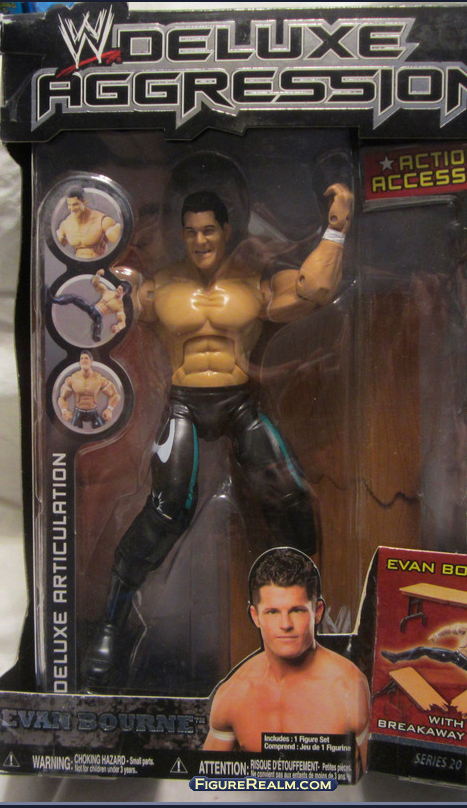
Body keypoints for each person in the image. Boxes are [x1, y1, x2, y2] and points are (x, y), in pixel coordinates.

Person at [85, 184, 353, 687]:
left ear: (227, 230)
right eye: (190, 232)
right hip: (184, 403)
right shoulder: (161, 287)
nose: (200, 241)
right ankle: (110, 625)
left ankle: (307, 610)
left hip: (238, 402)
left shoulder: (254, 285)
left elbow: (315, 291)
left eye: (209, 230)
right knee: (167, 509)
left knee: (291, 496)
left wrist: (336, 229)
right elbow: (103, 302)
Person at [204, 548, 370, 773]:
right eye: (273, 612)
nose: (285, 624)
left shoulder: (349, 688)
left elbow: (378, 787)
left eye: (297, 610)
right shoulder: (234, 693)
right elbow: (205, 784)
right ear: (255, 616)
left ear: (317, 611)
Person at [381, 611, 467, 720]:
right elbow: (450, 629)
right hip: (456, 656)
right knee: (423, 650)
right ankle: (396, 657)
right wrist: (437, 634)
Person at [50, 269, 130, 342]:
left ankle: (96, 337)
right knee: (74, 298)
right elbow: (95, 283)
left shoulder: (120, 306)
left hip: (98, 316)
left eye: (120, 290)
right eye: (118, 288)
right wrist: (98, 274)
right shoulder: (108, 292)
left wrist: (118, 327)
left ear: (124, 293)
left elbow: (123, 322)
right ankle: (56, 300)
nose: (117, 290)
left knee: (98, 325)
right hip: (92, 309)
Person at [57, 351, 121, 429]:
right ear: (79, 362)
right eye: (82, 358)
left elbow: (115, 395)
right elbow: (62, 398)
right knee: (73, 432)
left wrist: (109, 409)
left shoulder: (99, 379)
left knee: (101, 432)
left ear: (91, 361)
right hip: (78, 412)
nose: (84, 360)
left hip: (93, 412)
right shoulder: (72, 379)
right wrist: (64, 411)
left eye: (86, 358)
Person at [56, 185, 122, 259]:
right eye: (69, 205)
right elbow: (54, 248)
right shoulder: (66, 224)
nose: (72, 208)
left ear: (84, 201)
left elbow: (122, 246)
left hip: (99, 264)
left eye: (75, 204)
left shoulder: (102, 221)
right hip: (77, 265)